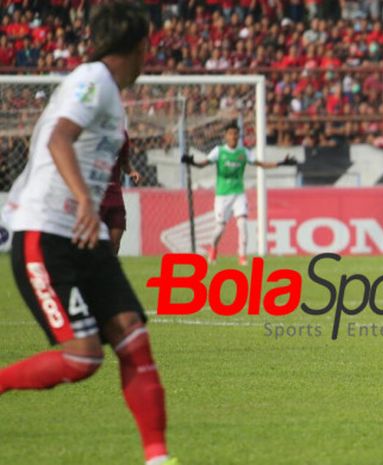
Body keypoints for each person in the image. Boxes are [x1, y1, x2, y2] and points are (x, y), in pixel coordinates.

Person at [0, 2, 179, 465]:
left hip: (87, 236)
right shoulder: (93, 79)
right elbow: (60, 136)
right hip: (47, 232)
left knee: (132, 336)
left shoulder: (107, 91)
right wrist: (83, 197)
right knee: (82, 359)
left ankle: (158, 458)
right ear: (142, 46)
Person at [181, 122, 296, 266]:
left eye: (236, 134)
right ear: (225, 136)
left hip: (238, 194)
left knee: (242, 224)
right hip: (222, 196)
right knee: (220, 228)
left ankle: (242, 256)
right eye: (230, 133)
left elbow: (260, 164)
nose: (233, 136)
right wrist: (192, 163)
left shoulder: (243, 152)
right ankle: (213, 248)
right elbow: (204, 163)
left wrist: (281, 163)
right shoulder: (219, 151)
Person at [100, 130, 141, 255]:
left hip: (114, 195)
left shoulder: (121, 134)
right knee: (92, 244)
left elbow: (124, 162)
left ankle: (107, 271)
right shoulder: (90, 130)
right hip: (94, 196)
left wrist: (131, 171)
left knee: (114, 244)